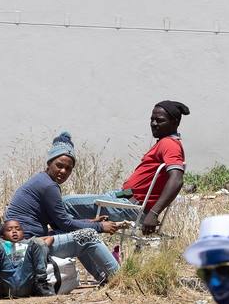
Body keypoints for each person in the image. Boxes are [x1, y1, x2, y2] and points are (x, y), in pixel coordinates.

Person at [4, 132, 126, 285]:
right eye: (59, 166)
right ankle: (122, 279)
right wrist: (99, 226)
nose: (63, 171)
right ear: (49, 164)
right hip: (28, 247)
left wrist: (90, 221)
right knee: (88, 237)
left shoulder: (41, 180)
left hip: (26, 245)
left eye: (68, 168)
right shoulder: (48, 186)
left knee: (80, 234)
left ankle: (104, 277)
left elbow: (59, 222)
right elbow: (65, 224)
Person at [64, 100, 190, 234]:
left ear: (175, 122)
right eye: (152, 119)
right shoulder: (164, 142)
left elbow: (177, 179)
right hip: (121, 198)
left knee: (65, 204)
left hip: (130, 207)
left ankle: (60, 244)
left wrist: (153, 213)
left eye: (159, 120)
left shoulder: (170, 144)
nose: (153, 124)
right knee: (60, 207)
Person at [0, 220, 52, 300]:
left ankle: (41, 284)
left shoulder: (30, 244)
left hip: (27, 281)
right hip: (6, 284)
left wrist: (36, 242)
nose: (14, 232)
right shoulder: (0, 244)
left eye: (18, 229)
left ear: (23, 233)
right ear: (3, 235)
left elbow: (49, 238)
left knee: (39, 242)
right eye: (9, 230)